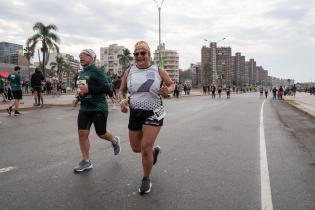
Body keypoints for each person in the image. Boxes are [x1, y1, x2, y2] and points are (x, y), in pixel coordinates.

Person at [119, 41, 175, 194]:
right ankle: (153, 154)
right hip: (135, 112)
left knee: (145, 148)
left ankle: (146, 178)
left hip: (154, 111)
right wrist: (122, 101)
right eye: (136, 54)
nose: (139, 56)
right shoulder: (129, 71)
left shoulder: (158, 70)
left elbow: (172, 85)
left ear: (149, 54)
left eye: (143, 53)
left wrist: (167, 91)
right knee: (136, 148)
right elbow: (121, 90)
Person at [72, 49, 121, 173]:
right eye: (80, 55)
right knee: (82, 134)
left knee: (102, 134)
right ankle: (86, 161)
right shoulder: (81, 73)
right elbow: (81, 90)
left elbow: (108, 88)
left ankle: (114, 141)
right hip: (85, 108)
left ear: (92, 58)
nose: (81, 56)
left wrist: (90, 89)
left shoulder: (97, 71)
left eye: (85, 55)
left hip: (99, 108)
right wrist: (77, 98)